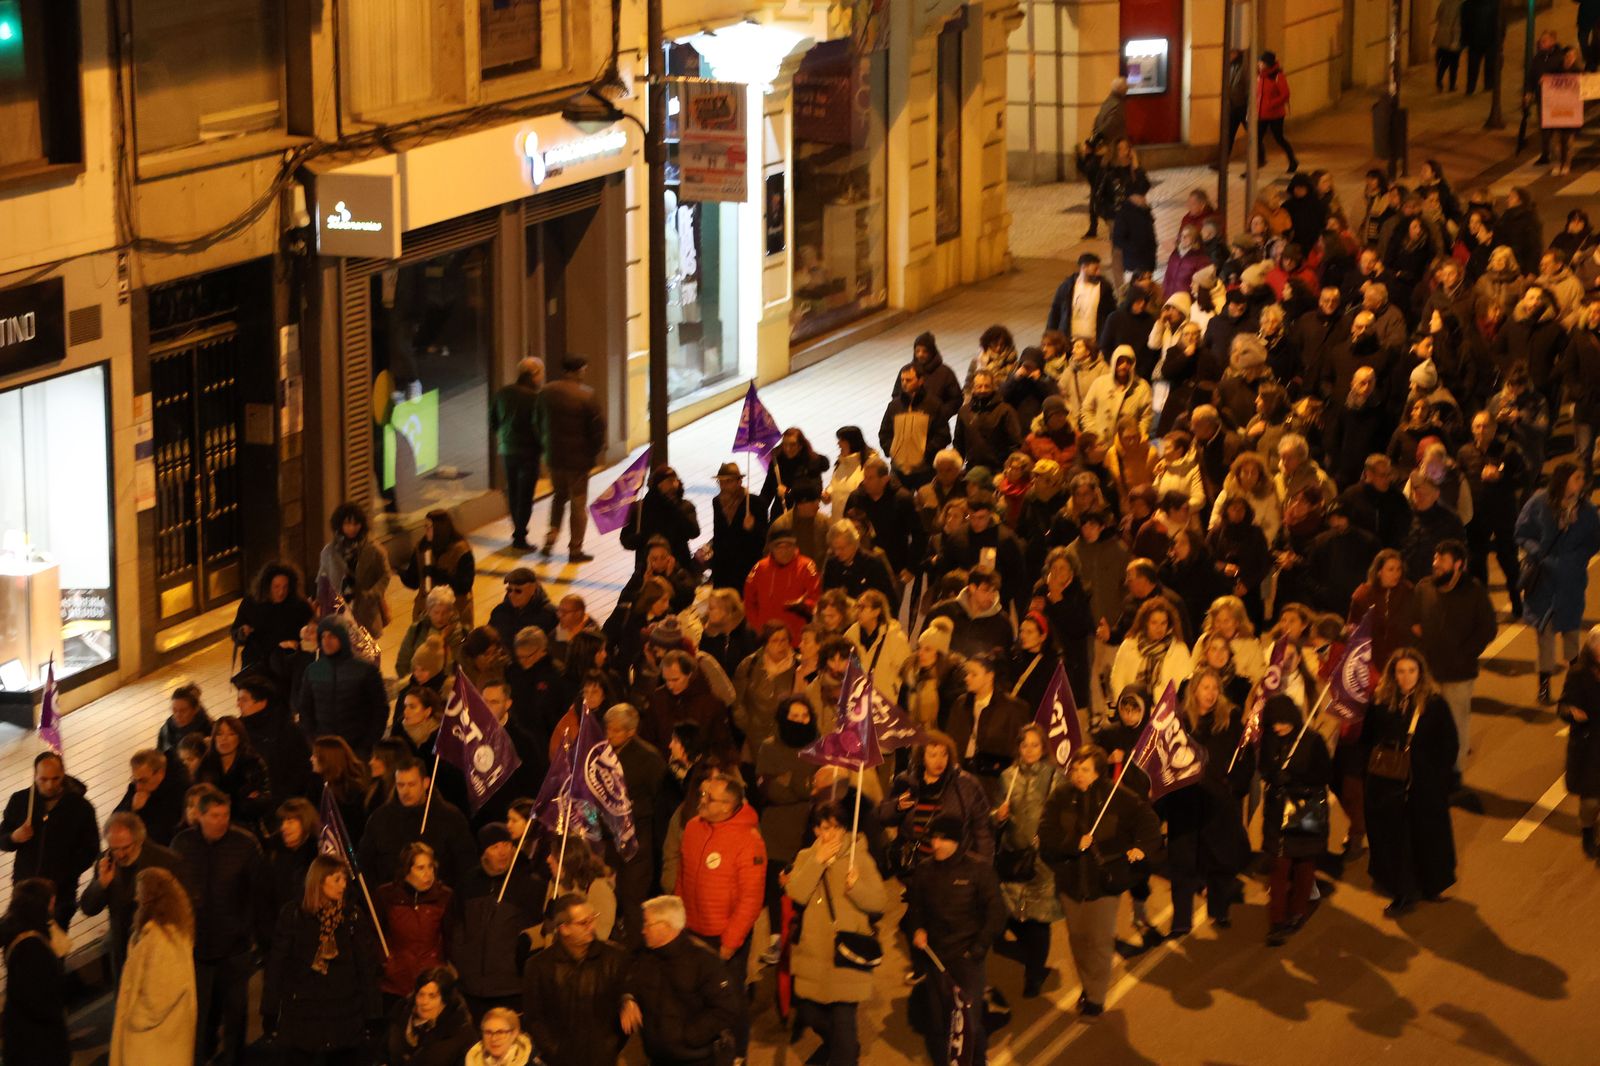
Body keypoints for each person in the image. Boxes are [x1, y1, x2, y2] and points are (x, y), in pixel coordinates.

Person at [1038, 744, 1162, 1017]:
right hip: (1071, 884)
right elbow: (1046, 833)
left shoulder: (1118, 797)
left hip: (1104, 884)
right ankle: (1088, 984)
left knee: (1100, 940)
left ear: (1098, 772)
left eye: (1085, 770)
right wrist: (1073, 844)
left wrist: (1141, 848)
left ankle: (1095, 997)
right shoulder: (1061, 796)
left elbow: (1149, 824)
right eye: (1075, 769)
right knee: (1078, 940)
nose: (1078, 775)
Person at [174, 789, 270, 1065]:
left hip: (234, 946)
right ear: (200, 816)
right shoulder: (183, 844)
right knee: (199, 1011)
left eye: (225, 815)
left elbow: (260, 893)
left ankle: (233, 1059)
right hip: (197, 946)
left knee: (236, 1012)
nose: (222, 821)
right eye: (215, 816)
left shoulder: (244, 844)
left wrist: (254, 934)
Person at [905, 812, 1006, 1064]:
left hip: (967, 959)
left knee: (969, 1020)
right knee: (940, 1021)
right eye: (933, 838)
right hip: (936, 957)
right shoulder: (925, 870)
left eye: (943, 839)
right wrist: (917, 929)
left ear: (957, 841)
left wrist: (976, 950)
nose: (935, 844)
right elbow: (915, 909)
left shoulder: (979, 870)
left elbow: (996, 914)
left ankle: (977, 1060)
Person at [674, 772, 765, 1053]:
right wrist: (678, 919)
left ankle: (737, 1054)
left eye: (709, 798)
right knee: (695, 996)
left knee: (730, 1000)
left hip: (723, 937)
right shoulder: (693, 828)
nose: (701, 800)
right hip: (692, 930)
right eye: (702, 794)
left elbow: (751, 899)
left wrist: (730, 943)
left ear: (727, 806)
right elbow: (682, 877)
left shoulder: (748, 841)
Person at [1364, 649, 1459, 917]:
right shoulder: (1381, 702)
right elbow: (1369, 738)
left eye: (1411, 671)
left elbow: (1449, 743)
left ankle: (1431, 884)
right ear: (1393, 674)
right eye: (1401, 671)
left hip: (1424, 785)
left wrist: (1437, 778)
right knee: (1397, 839)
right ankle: (1403, 892)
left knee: (1427, 836)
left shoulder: (1434, 704)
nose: (1406, 677)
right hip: (1388, 784)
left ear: (1420, 673)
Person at [263, 855, 383, 1062]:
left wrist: (373, 1013)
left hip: (344, 1015)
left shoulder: (352, 916)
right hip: (302, 1015)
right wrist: (270, 1010)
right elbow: (277, 965)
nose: (343, 885)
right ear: (319, 881)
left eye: (344, 879)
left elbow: (366, 966)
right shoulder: (294, 915)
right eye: (336, 879)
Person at [1166, 670, 1250, 933]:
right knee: (1182, 863)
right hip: (1185, 802)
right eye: (1205, 687)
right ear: (1194, 690)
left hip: (1218, 803)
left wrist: (1234, 786)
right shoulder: (1178, 722)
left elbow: (1245, 756)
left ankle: (1219, 909)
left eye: (1215, 688)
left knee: (1219, 859)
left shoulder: (1230, 720)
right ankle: (1181, 921)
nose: (1211, 693)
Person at [1414, 540, 1498, 784]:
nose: (1436, 564)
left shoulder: (1474, 591)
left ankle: (1455, 773)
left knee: (1456, 723)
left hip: (1459, 673)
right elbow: (1414, 621)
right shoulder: (1424, 588)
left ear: (1458, 565)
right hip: (1428, 672)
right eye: (1435, 559)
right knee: (1428, 723)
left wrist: (1465, 653)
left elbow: (1488, 628)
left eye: (1442, 560)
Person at [522, 893, 638, 1066]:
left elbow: (629, 985)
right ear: (564, 929)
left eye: (593, 918)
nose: (592, 926)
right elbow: (534, 1017)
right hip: (561, 1059)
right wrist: (555, 1051)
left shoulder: (614, 958)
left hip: (603, 1057)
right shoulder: (539, 966)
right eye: (584, 922)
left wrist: (627, 999)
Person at [1518, 462, 1600, 704]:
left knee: (1571, 635)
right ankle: (1544, 685)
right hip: (1544, 582)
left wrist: (1577, 558)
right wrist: (1537, 553)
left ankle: (1575, 687)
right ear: (1564, 480)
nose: (1581, 482)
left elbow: (1595, 540)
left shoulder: (1586, 510)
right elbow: (1522, 532)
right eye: (1577, 478)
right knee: (1544, 636)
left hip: (1571, 582)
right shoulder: (1539, 503)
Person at [628, 895, 743, 1066]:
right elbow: (630, 981)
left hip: (696, 1059)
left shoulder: (704, 961)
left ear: (666, 926)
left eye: (647, 924)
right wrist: (628, 998)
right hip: (659, 1057)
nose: (643, 930)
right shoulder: (645, 956)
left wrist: (690, 1036)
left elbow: (726, 1009)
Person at [1258, 695, 1333, 945]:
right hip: (1277, 812)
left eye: (1282, 722)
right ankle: (1277, 922)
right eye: (1273, 723)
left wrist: (1296, 778)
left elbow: (1325, 773)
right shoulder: (1269, 740)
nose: (1277, 727)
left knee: (1304, 864)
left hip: (1305, 809)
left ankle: (1299, 911)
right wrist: (1273, 776)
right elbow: (1264, 767)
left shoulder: (1312, 740)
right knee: (1279, 867)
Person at [995, 725, 1063, 997]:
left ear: (1043, 747)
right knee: (1005, 919)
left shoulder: (1054, 776)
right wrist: (998, 816)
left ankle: (1034, 975)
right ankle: (1033, 960)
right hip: (1012, 859)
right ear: (1018, 748)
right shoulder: (1007, 777)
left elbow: (1064, 817)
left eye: (1035, 745)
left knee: (1038, 921)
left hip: (1042, 862)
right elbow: (996, 819)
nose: (1030, 750)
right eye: (1025, 745)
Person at [452, 823, 544, 1019]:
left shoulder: (529, 883)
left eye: (506, 844)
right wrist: (461, 962)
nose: (503, 852)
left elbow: (539, 932)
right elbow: (456, 924)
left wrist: (519, 961)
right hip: (472, 987)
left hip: (511, 987)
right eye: (495, 847)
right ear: (484, 852)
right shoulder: (468, 882)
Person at [0, 751, 99, 931]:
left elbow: (91, 850)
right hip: (24, 889)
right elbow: (2, 839)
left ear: (63, 774)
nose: (50, 785)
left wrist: (65, 873)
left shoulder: (81, 807)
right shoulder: (20, 801)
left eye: (55, 778)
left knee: (54, 941)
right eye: (43, 779)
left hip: (61, 894)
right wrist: (14, 837)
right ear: (35, 775)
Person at [109, 866, 197, 1066]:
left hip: (153, 1039)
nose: (136, 898)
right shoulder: (169, 931)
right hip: (162, 1036)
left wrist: (135, 1019)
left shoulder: (161, 939)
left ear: (151, 897)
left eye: (140, 893)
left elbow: (161, 994)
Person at [79, 811, 183, 978]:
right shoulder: (106, 862)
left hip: (158, 950)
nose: (120, 854)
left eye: (126, 847)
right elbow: (88, 908)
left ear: (139, 840)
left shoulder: (165, 861)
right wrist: (101, 884)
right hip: (123, 952)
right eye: (115, 848)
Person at [877, 732, 995, 871]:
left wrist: (983, 869)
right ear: (922, 757)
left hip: (952, 868)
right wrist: (897, 807)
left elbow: (982, 830)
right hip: (915, 866)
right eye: (933, 755)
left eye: (944, 754)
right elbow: (884, 816)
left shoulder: (965, 784)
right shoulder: (906, 781)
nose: (939, 761)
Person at [360, 755, 477, 889]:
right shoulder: (380, 818)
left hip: (440, 898)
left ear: (426, 783)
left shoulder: (451, 817)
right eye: (400, 785)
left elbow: (466, 865)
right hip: (391, 898)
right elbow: (365, 863)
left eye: (411, 784)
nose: (405, 791)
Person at [542, 353, 607, 562]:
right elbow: (598, 428)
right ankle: (575, 548)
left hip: (554, 456)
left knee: (558, 496)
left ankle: (551, 537)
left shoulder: (547, 391)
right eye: (584, 370)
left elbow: (537, 420)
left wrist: (546, 444)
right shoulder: (587, 395)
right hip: (578, 460)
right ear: (579, 371)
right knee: (578, 502)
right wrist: (594, 451)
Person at [296, 616, 390, 757]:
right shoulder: (313, 671)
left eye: (332, 636)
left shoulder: (365, 670)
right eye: (323, 636)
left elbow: (379, 709)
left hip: (358, 750)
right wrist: (314, 741)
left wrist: (367, 744)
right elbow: (305, 709)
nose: (326, 641)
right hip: (325, 749)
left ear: (343, 637)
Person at [375, 842, 455, 1005]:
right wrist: (385, 962)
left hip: (431, 981)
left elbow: (452, 937)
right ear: (406, 870)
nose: (428, 874)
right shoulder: (387, 895)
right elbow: (374, 934)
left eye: (430, 867)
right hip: (395, 983)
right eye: (420, 868)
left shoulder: (444, 896)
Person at [0, 878, 69, 1066]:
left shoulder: (16, 930)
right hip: (39, 1040)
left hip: (19, 1031)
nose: (53, 906)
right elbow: (38, 996)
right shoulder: (32, 944)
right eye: (51, 901)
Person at [946, 652, 1031, 800]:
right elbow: (951, 740)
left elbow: (1017, 749)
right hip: (961, 778)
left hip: (993, 783)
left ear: (989, 676)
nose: (967, 678)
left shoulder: (1012, 708)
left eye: (974, 674)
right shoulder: (961, 704)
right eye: (967, 673)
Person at [491, 356, 547, 550]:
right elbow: (540, 427)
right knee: (525, 495)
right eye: (541, 373)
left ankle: (518, 530)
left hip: (507, 450)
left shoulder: (502, 393)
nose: (542, 378)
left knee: (513, 492)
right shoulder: (535, 398)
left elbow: (493, 422)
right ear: (534, 374)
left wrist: (504, 437)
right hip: (529, 453)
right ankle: (520, 535)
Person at [231, 562, 315, 685]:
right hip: (257, 664)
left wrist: (303, 637)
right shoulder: (251, 603)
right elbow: (235, 633)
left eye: (285, 587)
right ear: (267, 586)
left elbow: (311, 630)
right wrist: (242, 632)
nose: (281, 592)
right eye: (276, 587)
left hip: (286, 665)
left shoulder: (298, 605)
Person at [317, 501, 392, 638]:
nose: (352, 528)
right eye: (347, 523)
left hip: (365, 613)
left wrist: (371, 594)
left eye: (356, 524)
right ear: (340, 524)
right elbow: (322, 579)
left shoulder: (374, 550)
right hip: (338, 612)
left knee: (366, 647)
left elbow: (385, 575)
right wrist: (321, 603)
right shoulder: (329, 552)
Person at [1558, 626, 1600, 863]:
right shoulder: (1579, 674)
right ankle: (1587, 831)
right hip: (1590, 745)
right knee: (1591, 800)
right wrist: (1572, 713)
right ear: (1593, 648)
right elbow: (1563, 706)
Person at [385, 966, 479, 1066]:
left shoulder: (461, 1032)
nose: (424, 1002)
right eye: (421, 994)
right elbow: (384, 1051)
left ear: (445, 1000)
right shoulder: (401, 1014)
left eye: (432, 996)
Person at [743, 529, 822, 644]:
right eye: (779, 547)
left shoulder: (807, 566)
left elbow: (816, 598)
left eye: (789, 546)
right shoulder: (759, 568)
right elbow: (749, 602)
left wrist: (803, 605)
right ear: (771, 549)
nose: (784, 551)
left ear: (795, 547)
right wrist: (758, 627)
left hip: (796, 637)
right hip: (766, 638)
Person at [195, 716, 272, 833]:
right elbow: (197, 797)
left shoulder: (252, 763)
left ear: (239, 738)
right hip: (211, 826)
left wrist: (245, 803)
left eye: (231, 734)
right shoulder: (205, 764)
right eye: (219, 734)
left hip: (246, 826)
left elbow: (264, 799)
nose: (224, 739)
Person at [882, 364, 953, 489]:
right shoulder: (894, 405)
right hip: (898, 470)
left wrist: (925, 453)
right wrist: (892, 451)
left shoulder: (933, 405)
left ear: (921, 381)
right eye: (902, 380)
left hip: (925, 470)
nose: (904, 383)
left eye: (909, 380)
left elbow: (943, 435)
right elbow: (884, 433)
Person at [623, 465, 702, 573]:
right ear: (658, 484)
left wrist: (675, 508)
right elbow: (626, 540)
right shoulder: (640, 509)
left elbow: (694, 532)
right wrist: (642, 538)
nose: (674, 484)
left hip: (678, 567)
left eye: (675, 480)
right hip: (647, 569)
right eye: (669, 481)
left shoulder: (684, 506)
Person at [114, 748, 190, 849]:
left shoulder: (179, 791)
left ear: (160, 774)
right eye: (134, 780)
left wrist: (140, 813)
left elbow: (164, 834)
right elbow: (114, 820)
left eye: (143, 780)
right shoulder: (135, 787)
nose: (138, 787)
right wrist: (132, 808)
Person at [1046, 253, 1117, 341]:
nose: (1098, 273)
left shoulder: (1104, 288)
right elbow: (1055, 311)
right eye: (1095, 269)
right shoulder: (1067, 287)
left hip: (1094, 341)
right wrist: (1049, 335)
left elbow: (1111, 313)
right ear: (1084, 267)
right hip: (1069, 340)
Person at [1255, 50, 1298, 172]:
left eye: (1261, 63)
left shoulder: (1278, 76)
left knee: (1279, 138)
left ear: (1267, 64)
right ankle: (1258, 163)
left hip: (1275, 115)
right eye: (1259, 62)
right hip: (1261, 114)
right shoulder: (1260, 76)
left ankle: (1293, 161)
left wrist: (1271, 104)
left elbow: (1285, 94)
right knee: (1256, 139)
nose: (1259, 64)